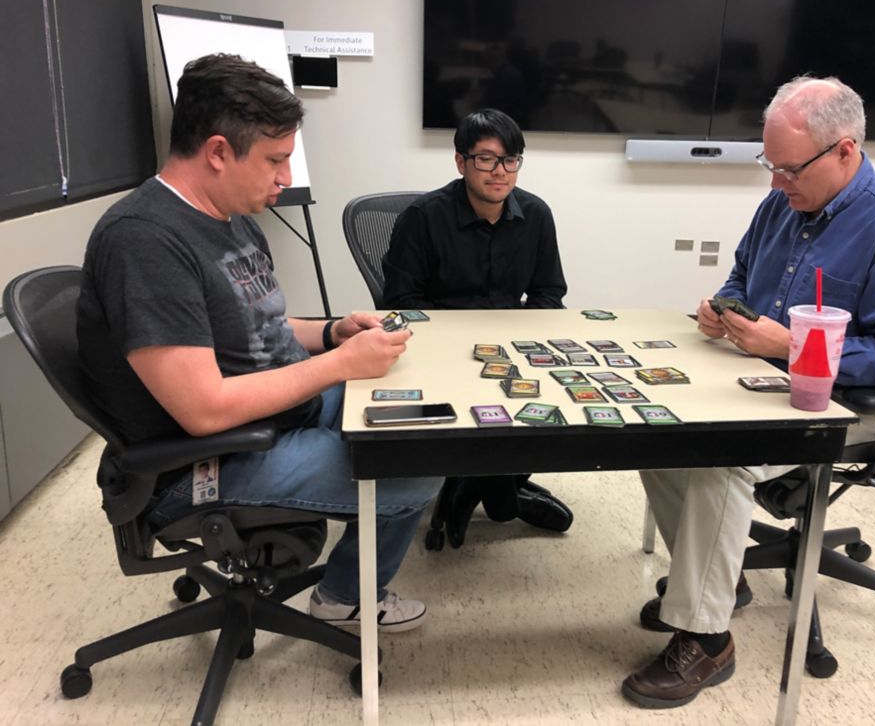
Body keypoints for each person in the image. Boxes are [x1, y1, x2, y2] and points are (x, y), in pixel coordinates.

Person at [76, 53, 443, 633]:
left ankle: (346, 585)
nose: (286, 178)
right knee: (414, 473)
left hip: (273, 414)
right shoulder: (143, 243)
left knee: (421, 423)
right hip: (199, 462)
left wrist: (330, 334)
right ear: (218, 152)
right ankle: (345, 598)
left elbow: (258, 326)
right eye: (275, 160)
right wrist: (338, 366)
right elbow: (202, 409)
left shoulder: (230, 214)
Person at [622, 76, 875, 708]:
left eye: (789, 168)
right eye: (769, 166)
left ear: (845, 152)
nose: (776, 183)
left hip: (855, 408)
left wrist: (789, 347)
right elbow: (743, 276)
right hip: (767, 380)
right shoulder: (785, 203)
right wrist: (726, 310)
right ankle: (719, 583)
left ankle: (706, 638)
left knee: (724, 457)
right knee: (656, 431)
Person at [381, 107, 572, 546]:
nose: (499, 171)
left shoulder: (537, 216)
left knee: (560, 405)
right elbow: (402, 305)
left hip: (511, 349)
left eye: (510, 160)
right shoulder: (422, 218)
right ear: (461, 162)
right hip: (438, 352)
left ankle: (477, 481)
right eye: (486, 159)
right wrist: (463, 344)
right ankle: (502, 499)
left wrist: (518, 343)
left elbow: (548, 294)